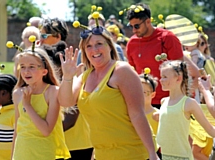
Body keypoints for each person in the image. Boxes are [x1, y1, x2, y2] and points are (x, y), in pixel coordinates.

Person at [58, 24, 158, 159]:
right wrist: (67, 77)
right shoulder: (85, 76)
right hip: (102, 154)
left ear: (110, 46)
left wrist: (152, 153)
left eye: (99, 43)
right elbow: (66, 102)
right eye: (89, 46)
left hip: (132, 153)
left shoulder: (122, 71)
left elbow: (137, 114)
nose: (94, 49)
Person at [12, 47, 70, 160]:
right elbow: (17, 129)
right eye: (22, 67)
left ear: (44, 71)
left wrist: (27, 105)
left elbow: (46, 130)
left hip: (44, 153)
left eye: (32, 67)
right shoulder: (17, 93)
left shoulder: (52, 92)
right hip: (21, 153)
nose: (26, 71)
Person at [125, 3, 185, 108]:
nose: (134, 30)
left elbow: (181, 70)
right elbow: (132, 73)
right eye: (131, 26)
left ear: (148, 21)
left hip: (169, 101)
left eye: (137, 26)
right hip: (143, 101)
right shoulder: (131, 43)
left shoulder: (167, 38)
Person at [154, 60, 215, 159]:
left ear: (178, 78)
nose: (161, 80)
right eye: (161, 77)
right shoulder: (163, 101)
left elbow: (209, 129)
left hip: (182, 157)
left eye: (165, 77)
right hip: (165, 155)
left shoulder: (189, 103)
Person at [139, 68, 161, 158]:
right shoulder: (129, 113)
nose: (139, 94)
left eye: (144, 92)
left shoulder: (158, 114)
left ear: (152, 95)